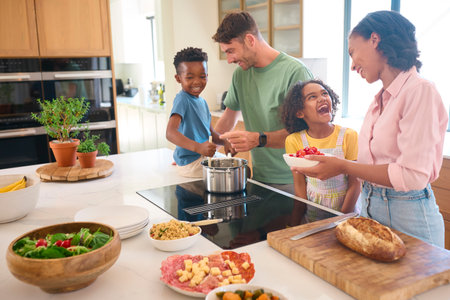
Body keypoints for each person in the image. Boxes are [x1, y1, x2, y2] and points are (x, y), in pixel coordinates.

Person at [291, 11, 448, 247]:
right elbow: (372, 165)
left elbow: (412, 175)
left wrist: (342, 166)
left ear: (375, 40)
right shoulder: (380, 100)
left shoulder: (420, 91)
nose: (352, 65)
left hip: (409, 214)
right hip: (369, 208)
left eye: (353, 52)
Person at [212, 11, 314, 193]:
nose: (229, 60)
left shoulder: (295, 72)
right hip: (258, 178)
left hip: (293, 179)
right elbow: (227, 120)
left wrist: (259, 139)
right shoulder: (240, 74)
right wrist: (198, 152)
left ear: (250, 40)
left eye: (231, 51)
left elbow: (306, 133)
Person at [282, 79, 360, 221]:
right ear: (299, 112)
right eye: (312, 97)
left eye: (325, 93)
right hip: (311, 216)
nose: (322, 98)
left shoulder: (349, 135)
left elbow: (355, 184)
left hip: (346, 215)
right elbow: (299, 185)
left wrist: (341, 218)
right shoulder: (294, 141)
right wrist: (294, 223)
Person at [166, 47, 222, 178]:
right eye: (189, 77)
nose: (197, 81)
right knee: (234, 173)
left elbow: (212, 134)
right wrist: (198, 147)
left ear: (207, 76)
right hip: (191, 162)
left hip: (202, 158)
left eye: (202, 76)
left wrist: (226, 141)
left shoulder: (202, 102)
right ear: (178, 78)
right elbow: (170, 133)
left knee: (240, 168)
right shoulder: (182, 99)